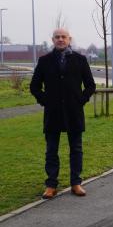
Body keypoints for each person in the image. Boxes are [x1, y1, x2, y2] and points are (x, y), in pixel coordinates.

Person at [30, 28, 96, 199]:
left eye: (63, 37)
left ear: (69, 39)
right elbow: (34, 86)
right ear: (52, 40)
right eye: (57, 37)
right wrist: (46, 101)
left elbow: (90, 85)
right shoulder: (44, 61)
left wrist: (80, 100)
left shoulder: (80, 60)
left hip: (74, 112)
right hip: (52, 113)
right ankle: (51, 185)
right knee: (51, 150)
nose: (60, 39)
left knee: (76, 149)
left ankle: (76, 183)